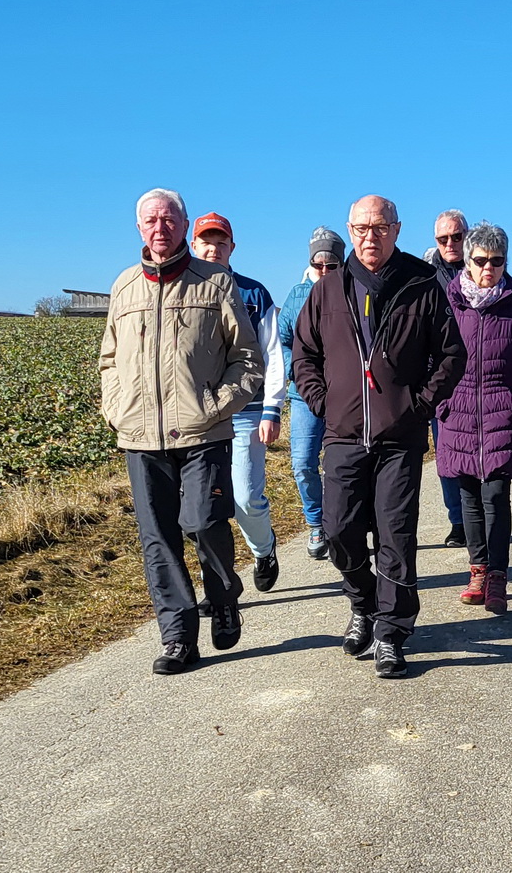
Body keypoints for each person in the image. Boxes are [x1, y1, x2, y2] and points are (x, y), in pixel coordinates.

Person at [292, 194, 465, 679]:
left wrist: (419, 406)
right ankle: (362, 602)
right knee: (339, 529)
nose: (371, 236)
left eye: (381, 227)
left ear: (397, 229)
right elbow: (304, 355)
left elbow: (452, 355)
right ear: (350, 230)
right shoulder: (327, 290)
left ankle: (391, 632)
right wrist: (324, 403)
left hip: (399, 438)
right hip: (343, 434)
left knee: (396, 533)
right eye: (362, 228)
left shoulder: (422, 283)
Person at [99, 188, 265, 674]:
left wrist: (215, 406)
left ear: (183, 224)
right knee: (158, 539)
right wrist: (117, 408)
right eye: (150, 220)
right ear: (138, 228)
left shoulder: (214, 283)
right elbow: (109, 359)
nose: (159, 227)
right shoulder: (124, 287)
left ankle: (224, 594)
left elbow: (248, 359)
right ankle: (177, 637)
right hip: (141, 437)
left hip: (202, 433)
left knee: (203, 522)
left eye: (168, 219)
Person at [434, 222, 512, 614]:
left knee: (496, 497)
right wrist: (441, 403)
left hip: (502, 417)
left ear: (505, 262)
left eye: (497, 261)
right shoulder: (446, 308)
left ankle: (498, 575)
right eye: (481, 260)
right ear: (466, 261)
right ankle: (478, 569)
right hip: (458, 416)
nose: (489, 268)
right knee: (468, 497)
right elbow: (428, 362)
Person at [191, 212, 287, 593]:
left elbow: (273, 353)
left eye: (221, 242)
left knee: (246, 497)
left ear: (232, 247)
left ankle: (263, 550)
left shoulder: (254, 293)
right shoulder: (184, 291)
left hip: (247, 413)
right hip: (198, 418)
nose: (213, 248)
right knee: (202, 507)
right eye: (206, 241)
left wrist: (272, 407)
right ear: (194, 245)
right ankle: (214, 580)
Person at [278, 225, 346, 560]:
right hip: (304, 394)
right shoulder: (295, 296)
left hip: (343, 394)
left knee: (340, 464)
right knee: (304, 462)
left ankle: (343, 522)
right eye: (318, 264)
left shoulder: (351, 291)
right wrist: (295, 369)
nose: (323, 271)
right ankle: (316, 522)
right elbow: (282, 342)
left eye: (331, 266)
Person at [422, 208, 469, 548]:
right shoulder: (424, 278)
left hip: (479, 377)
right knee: (446, 454)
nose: (450, 243)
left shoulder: (482, 269)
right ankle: (458, 520)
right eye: (443, 239)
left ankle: (480, 515)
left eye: (457, 236)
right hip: (439, 378)